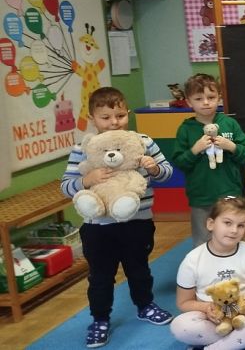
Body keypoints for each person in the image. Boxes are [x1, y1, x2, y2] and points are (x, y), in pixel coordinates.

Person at [60, 87, 174, 348]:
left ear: (128, 114)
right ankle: (100, 319)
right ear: (92, 118)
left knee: (139, 269)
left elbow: (167, 173)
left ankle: (145, 305)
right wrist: (86, 180)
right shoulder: (85, 148)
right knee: (100, 276)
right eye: (106, 117)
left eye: (120, 115)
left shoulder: (142, 142)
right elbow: (66, 186)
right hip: (98, 227)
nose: (114, 122)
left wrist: (154, 167)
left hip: (138, 222)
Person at [170, 197, 245, 350]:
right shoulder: (192, 260)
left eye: (241, 225)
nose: (234, 230)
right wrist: (207, 308)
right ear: (211, 224)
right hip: (212, 319)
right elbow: (183, 303)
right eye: (227, 223)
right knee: (180, 326)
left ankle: (213, 347)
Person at [170, 73, 245, 248]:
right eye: (199, 98)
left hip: (230, 192)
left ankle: (238, 267)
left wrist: (231, 146)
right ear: (189, 102)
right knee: (202, 239)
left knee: (235, 234)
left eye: (211, 97)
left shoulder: (229, 124)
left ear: (219, 98)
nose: (206, 102)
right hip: (201, 196)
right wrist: (195, 150)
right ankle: (205, 272)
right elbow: (179, 162)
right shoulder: (186, 129)